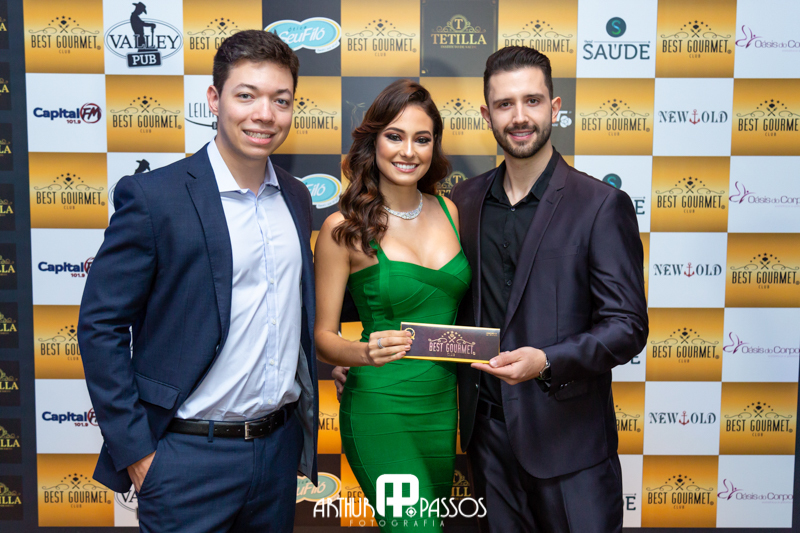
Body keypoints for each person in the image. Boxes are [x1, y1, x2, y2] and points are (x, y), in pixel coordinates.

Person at [78, 30, 317, 533]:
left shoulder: (296, 197)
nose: (264, 114)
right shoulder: (154, 197)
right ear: (214, 98)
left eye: (280, 100)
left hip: (277, 454)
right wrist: (139, 454)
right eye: (246, 95)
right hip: (186, 458)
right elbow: (100, 326)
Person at [450, 46, 648, 532]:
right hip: (487, 442)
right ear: (486, 115)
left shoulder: (600, 204)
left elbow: (627, 326)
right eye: (505, 104)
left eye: (532, 101)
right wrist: (369, 360)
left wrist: (546, 360)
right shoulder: (463, 201)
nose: (519, 117)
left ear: (555, 108)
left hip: (571, 447)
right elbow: (440, 299)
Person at [315, 79, 470, 531]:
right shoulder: (343, 228)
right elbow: (323, 337)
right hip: (380, 408)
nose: (408, 151)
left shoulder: (451, 212)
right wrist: (362, 353)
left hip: (441, 407)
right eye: (395, 136)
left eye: (422, 139)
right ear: (374, 141)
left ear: (434, 146)